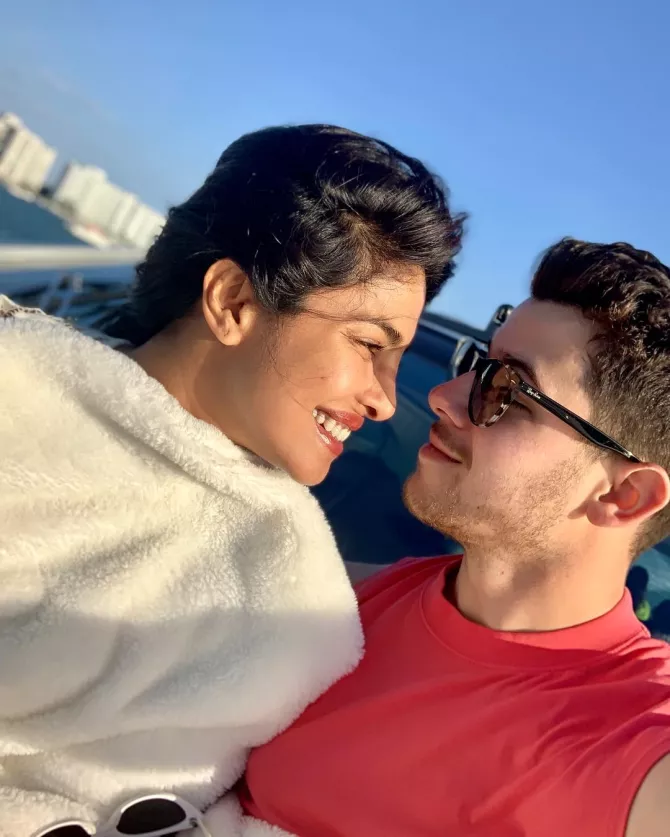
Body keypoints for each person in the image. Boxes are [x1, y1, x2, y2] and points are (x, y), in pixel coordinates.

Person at [0, 124, 466, 836]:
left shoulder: (295, 580)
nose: (383, 398)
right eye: (370, 344)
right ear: (233, 301)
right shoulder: (20, 410)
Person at [239, 238, 670, 837]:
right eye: (476, 366)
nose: (443, 397)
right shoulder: (363, 598)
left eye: (507, 392)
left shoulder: (627, 734)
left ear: (625, 496)